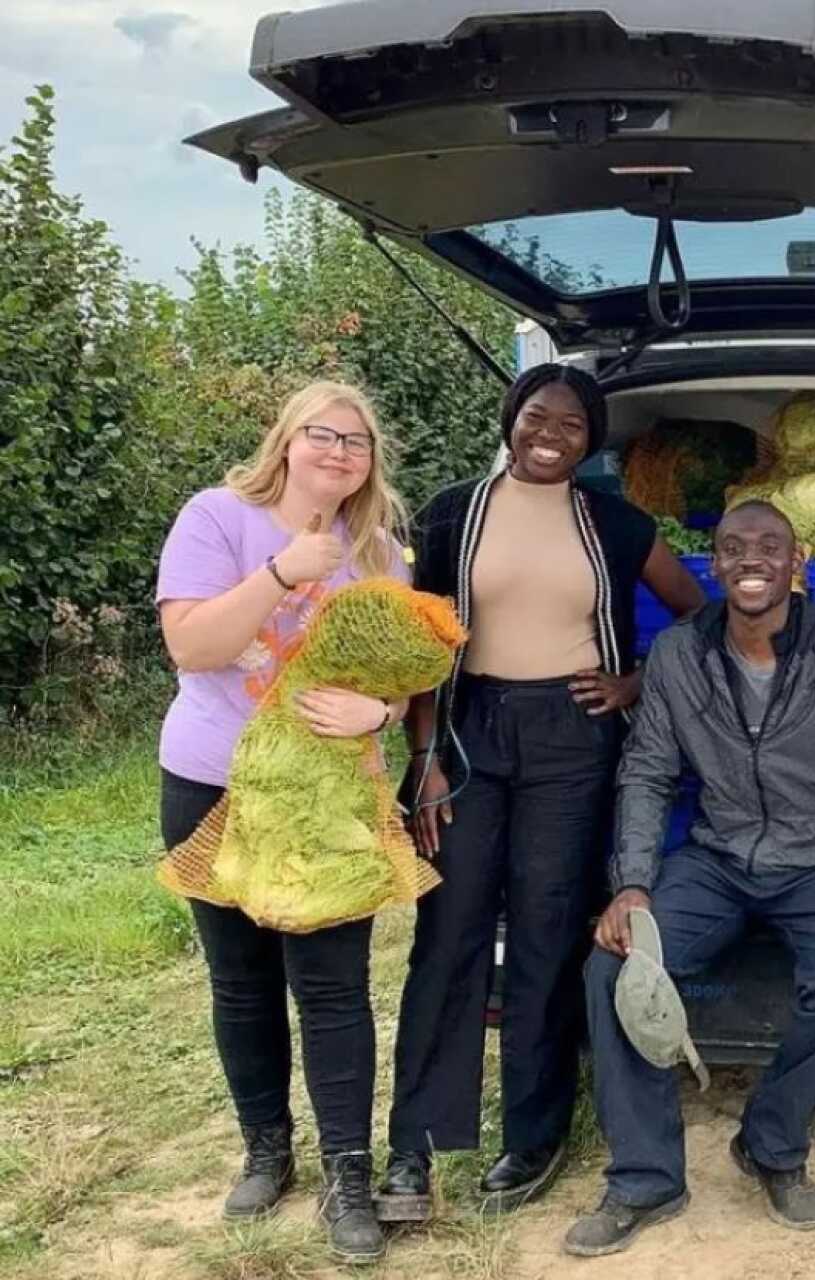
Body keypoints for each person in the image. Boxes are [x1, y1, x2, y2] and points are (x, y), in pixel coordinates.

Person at [564, 500, 815, 1255]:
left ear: (795, 561)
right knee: (613, 971)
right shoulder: (678, 654)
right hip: (719, 857)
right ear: (717, 563)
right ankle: (645, 1179)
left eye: (769, 546)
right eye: (734, 548)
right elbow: (645, 774)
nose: (751, 560)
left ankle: (770, 1143)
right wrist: (633, 883)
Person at [376, 364, 706, 1221]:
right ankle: (414, 1145)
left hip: (574, 736)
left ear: (590, 438)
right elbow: (421, 646)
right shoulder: (454, 510)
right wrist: (425, 756)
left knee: (547, 932)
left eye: (569, 423)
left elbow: (694, 609)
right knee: (447, 930)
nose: (549, 433)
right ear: (511, 420)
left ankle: (533, 1135)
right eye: (535, 416)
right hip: (470, 732)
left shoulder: (614, 521)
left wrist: (633, 683)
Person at [156, 381, 411, 1264]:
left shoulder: (378, 550)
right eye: (324, 434)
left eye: (359, 441)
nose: (341, 452)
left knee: (334, 987)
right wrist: (279, 575)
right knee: (242, 979)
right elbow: (193, 647)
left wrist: (380, 714)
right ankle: (267, 1148)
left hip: (331, 799)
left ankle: (348, 1173)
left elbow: (406, 672)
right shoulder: (217, 518)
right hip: (215, 782)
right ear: (287, 439)